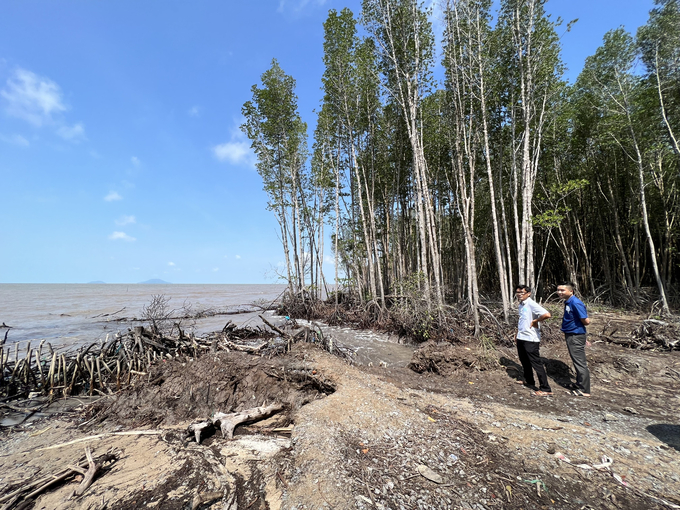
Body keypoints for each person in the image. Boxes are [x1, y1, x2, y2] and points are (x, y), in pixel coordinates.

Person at [514, 285, 553, 396]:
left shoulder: (531, 304)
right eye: (517, 292)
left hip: (531, 338)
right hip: (522, 337)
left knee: (536, 363)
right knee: (524, 360)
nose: (519, 294)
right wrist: (517, 334)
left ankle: (546, 388)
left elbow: (547, 314)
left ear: (529, 293)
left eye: (522, 292)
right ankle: (529, 380)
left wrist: (536, 320)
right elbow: (522, 320)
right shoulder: (521, 305)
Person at [557, 283, 591, 397]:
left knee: (580, 362)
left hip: (575, 335)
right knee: (576, 360)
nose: (560, 292)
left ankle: (584, 389)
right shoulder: (568, 302)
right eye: (558, 290)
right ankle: (579, 384)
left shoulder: (575, 303)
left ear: (571, 291)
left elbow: (586, 321)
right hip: (572, 334)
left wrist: (579, 332)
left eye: (563, 290)